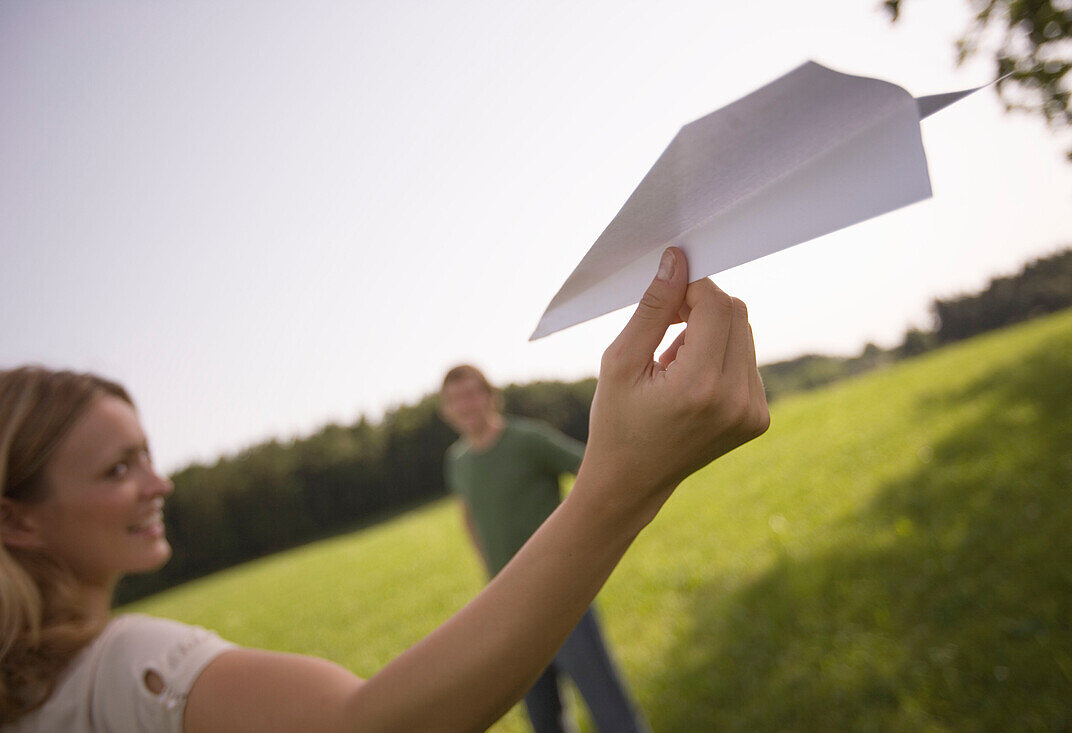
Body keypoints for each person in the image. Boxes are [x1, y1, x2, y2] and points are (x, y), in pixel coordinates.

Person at [0, 247, 769, 733]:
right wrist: (624, 486)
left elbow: (576, 462)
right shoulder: (128, 668)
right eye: (117, 468)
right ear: (19, 522)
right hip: (516, 586)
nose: (159, 481)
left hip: (552, 592)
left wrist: (608, 477)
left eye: (147, 454)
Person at [440, 364, 648, 733]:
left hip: (561, 595)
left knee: (610, 711)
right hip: (506, 607)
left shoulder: (528, 440)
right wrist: (491, 571)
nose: (465, 404)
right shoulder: (458, 461)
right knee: (543, 719)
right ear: (446, 410)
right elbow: (470, 517)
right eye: (455, 399)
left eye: (472, 393)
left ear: (490, 396)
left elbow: (594, 471)